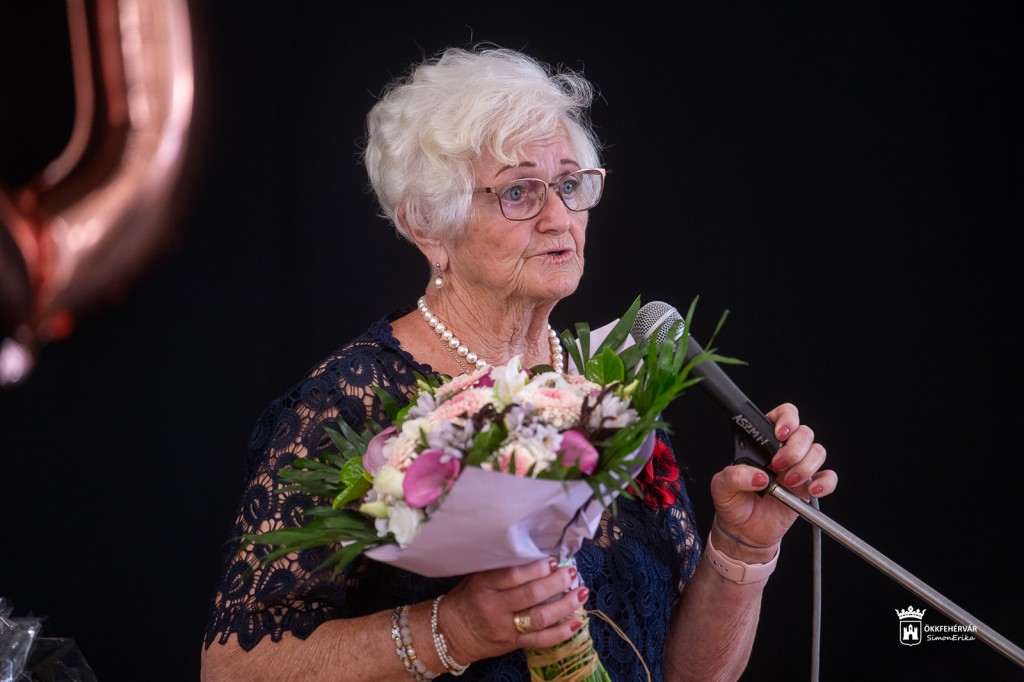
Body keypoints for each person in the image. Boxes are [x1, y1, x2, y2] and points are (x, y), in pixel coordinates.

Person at [200, 44, 838, 681]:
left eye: (569, 185)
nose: (560, 218)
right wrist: (454, 629)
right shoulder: (353, 398)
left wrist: (743, 545)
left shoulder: (610, 387)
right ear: (428, 225)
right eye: (518, 192)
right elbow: (231, 667)